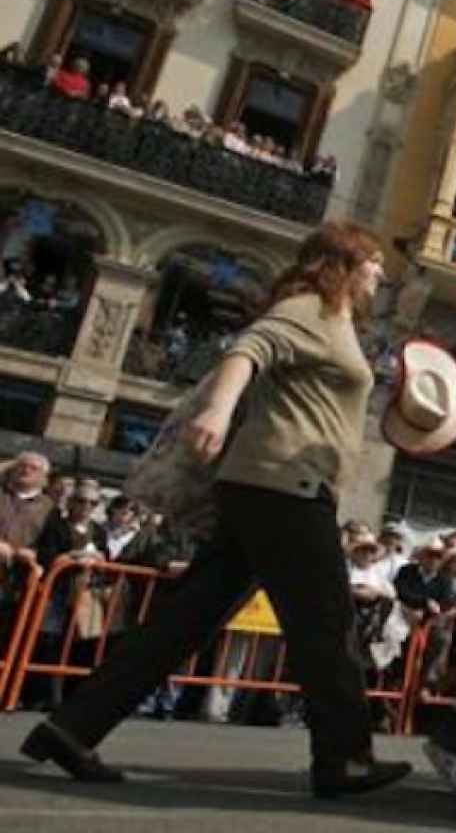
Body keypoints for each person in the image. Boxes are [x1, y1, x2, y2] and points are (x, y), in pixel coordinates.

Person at [19, 222, 411, 799]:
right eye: (372, 260)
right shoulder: (312, 307)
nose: (380, 271)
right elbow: (247, 349)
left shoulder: (342, 325)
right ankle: (344, 758)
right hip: (286, 487)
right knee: (326, 623)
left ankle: (71, 727)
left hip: (266, 486)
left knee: (187, 620)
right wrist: (218, 411)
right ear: (343, 263)